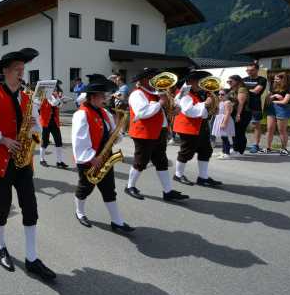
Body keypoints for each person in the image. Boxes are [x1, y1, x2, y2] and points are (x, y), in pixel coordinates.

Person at [0, 48, 56, 280]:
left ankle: (31, 258)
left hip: (23, 162)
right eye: (17, 69)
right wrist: (2, 139)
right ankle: (0, 246)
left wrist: (34, 135)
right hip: (0, 163)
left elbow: (37, 126)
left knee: (30, 207)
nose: (21, 72)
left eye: (22, 69)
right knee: (3, 207)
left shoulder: (28, 98)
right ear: (5, 71)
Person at [71, 75, 135, 232]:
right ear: (93, 97)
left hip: (105, 157)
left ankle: (117, 221)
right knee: (85, 188)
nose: (105, 97)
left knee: (109, 189)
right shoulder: (81, 114)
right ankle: (79, 212)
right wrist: (92, 158)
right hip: (90, 160)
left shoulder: (104, 112)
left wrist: (117, 134)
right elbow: (79, 141)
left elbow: (113, 132)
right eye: (102, 95)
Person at [125, 68, 189, 201]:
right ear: (143, 79)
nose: (156, 80)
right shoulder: (137, 94)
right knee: (141, 161)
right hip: (144, 132)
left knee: (161, 162)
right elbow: (142, 113)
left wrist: (175, 108)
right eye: (152, 77)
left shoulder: (156, 93)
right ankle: (130, 186)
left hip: (160, 131)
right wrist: (160, 102)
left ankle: (168, 191)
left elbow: (166, 112)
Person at [173, 70, 222, 187]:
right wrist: (205, 104)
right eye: (200, 82)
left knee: (206, 150)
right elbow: (189, 111)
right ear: (191, 81)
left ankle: (203, 177)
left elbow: (203, 110)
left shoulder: (199, 92)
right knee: (186, 152)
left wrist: (212, 108)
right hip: (188, 127)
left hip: (201, 125)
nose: (203, 84)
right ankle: (178, 175)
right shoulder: (184, 93)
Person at [38, 81, 68, 168]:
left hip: (54, 122)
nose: (55, 90)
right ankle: (41, 159)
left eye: (55, 88)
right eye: (54, 88)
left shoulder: (56, 96)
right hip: (45, 122)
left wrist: (62, 100)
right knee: (45, 141)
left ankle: (59, 161)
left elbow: (59, 105)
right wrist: (58, 100)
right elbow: (53, 103)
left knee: (59, 141)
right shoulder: (43, 96)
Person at [263, 72, 290, 155]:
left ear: (283, 79)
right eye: (274, 79)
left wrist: (274, 98)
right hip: (272, 108)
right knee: (269, 128)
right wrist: (272, 96)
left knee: (281, 130)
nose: (275, 80)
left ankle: (284, 149)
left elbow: (284, 102)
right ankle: (268, 148)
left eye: (277, 79)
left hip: (283, 109)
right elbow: (268, 98)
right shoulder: (273, 86)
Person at [243, 62, 267, 153]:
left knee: (256, 126)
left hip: (255, 106)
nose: (249, 72)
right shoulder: (243, 79)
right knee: (241, 125)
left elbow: (256, 91)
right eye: (248, 70)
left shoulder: (262, 80)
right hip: (244, 106)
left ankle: (255, 145)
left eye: (251, 70)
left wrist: (243, 90)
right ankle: (241, 143)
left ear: (257, 70)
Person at [227, 75, 251, 155]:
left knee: (240, 131)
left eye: (231, 81)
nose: (229, 83)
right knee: (235, 131)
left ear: (237, 81)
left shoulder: (242, 89)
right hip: (235, 113)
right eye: (228, 81)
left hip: (243, 113)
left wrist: (238, 115)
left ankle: (240, 151)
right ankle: (236, 149)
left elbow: (241, 103)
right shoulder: (233, 89)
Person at [211, 89, 235, 159]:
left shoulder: (227, 102)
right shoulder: (221, 102)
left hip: (225, 120)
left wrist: (224, 123)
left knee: (225, 137)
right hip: (220, 119)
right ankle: (223, 151)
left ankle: (227, 153)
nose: (220, 96)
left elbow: (227, 113)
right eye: (219, 94)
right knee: (222, 137)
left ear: (227, 95)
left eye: (222, 94)